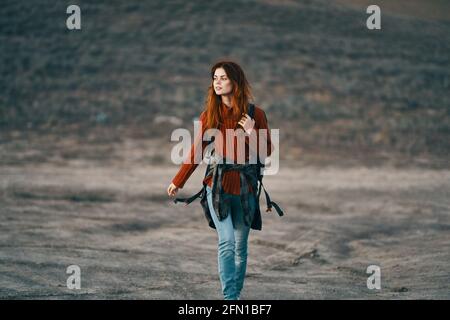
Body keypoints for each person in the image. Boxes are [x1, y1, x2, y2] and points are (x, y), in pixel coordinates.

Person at [167, 60, 274, 300]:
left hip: (246, 188)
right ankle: (230, 299)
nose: (217, 82)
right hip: (217, 187)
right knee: (226, 243)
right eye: (215, 78)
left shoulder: (256, 114)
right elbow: (196, 153)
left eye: (223, 78)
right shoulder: (210, 116)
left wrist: (251, 131)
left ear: (235, 82)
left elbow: (267, 153)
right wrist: (178, 181)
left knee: (240, 248)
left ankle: (234, 296)